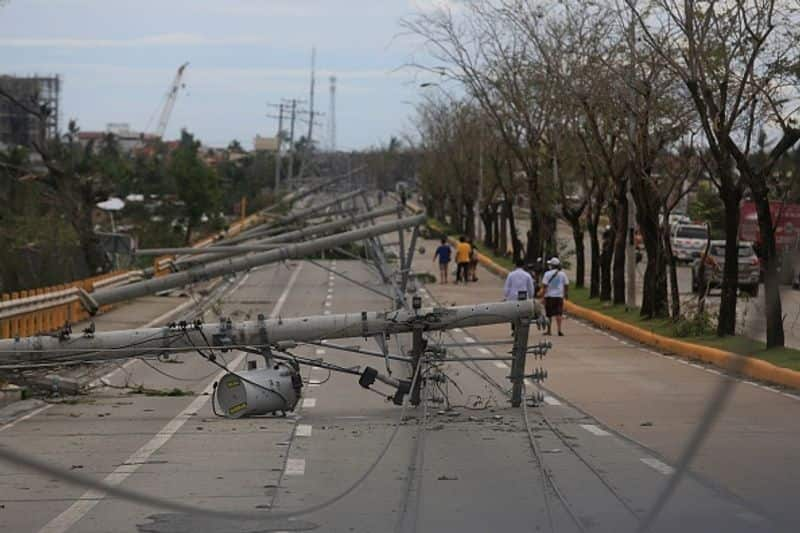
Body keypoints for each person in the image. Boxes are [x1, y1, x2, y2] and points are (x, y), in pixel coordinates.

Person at [541, 257, 569, 336]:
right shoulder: (562, 274)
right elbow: (566, 284)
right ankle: (559, 330)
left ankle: (549, 331)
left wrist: (543, 297)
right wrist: (566, 294)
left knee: (549, 314)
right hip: (559, 296)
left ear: (552, 265)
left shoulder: (547, 274)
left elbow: (544, 286)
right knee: (559, 313)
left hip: (549, 296)